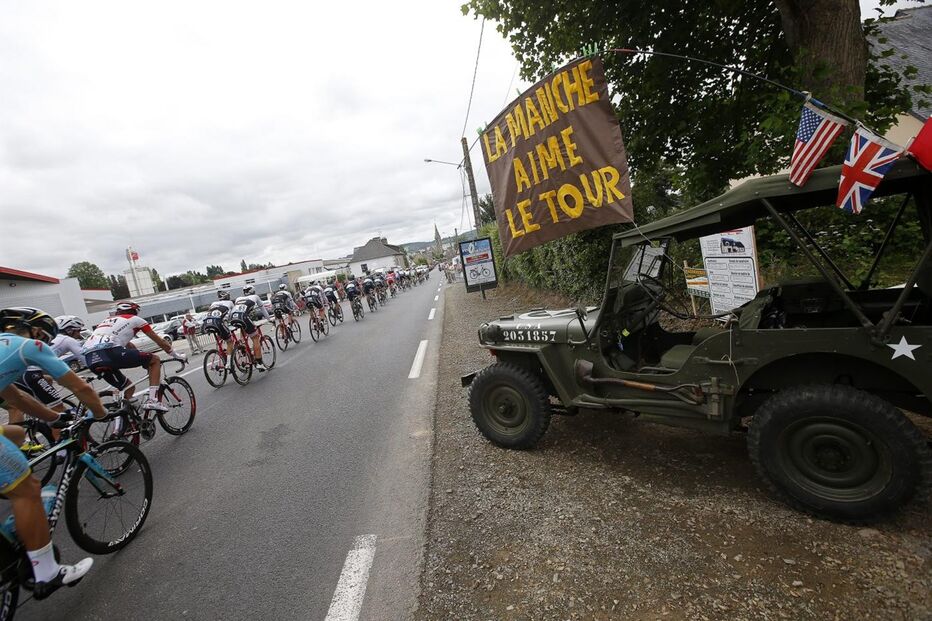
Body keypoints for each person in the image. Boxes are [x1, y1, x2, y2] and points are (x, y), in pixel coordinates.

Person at [0, 307, 108, 599]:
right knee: (28, 490)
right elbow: (80, 386)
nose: (46, 344)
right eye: (47, 339)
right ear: (36, 332)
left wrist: (54, 419)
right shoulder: (27, 346)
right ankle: (47, 572)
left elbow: (17, 398)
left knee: (16, 433)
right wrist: (100, 413)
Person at [82, 301, 186, 412]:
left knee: (128, 387)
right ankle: (153, 400)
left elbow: (128, 344)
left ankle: (126, 422)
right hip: (110, 352)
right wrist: (176, 355)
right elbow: (160, 341)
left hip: (90, 358)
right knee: (155, 360)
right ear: (133, 311)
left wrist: (142, 359)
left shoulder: (106, 322)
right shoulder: (135, 319)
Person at [229, 286, 270, 372]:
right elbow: (263, 309)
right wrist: (269, 319)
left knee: (242, 326)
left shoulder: (238, 298)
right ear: (253, 291)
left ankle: (242, 345)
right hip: (244, 317)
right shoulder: (255, 297)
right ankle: (259, 363)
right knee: (255, 338)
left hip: (234, 318)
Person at [203, 291, 236, 370]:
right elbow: (232, 315)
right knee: (230, 341)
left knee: (220, 337)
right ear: (227, 296)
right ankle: (228, 363)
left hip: (207, 323)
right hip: (219, 323)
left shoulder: (214, 303)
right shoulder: (230, 302)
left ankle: (220, 352)